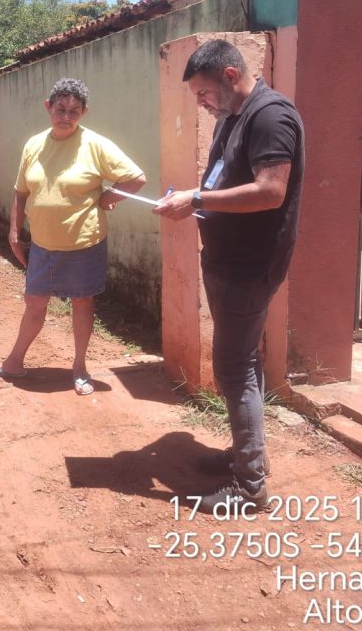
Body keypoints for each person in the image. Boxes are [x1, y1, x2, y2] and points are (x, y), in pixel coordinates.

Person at [154, 40, 304, 514]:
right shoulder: (232, 117)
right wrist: (192, 196)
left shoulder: (270, 116)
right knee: (243, 362)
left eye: (203, 93)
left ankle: (250, 486)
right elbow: (222, 179)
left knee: (233, 367)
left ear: (231, 76)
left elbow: (270, 190)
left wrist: (197, 200)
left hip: (249, 265)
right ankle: (246, 453)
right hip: (225, 259)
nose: (201, 103)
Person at [0, 78, 146, 395]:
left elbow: (136, 178)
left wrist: (107, 198)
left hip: (84, 243)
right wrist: (14, 231)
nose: (66, 117)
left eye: (74, 111)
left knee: (82, 302)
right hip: (42, 244)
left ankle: (80, 367)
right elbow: (21, 192)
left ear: (84, 112)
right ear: (49, 107)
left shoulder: (95, 145)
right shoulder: (33, 145)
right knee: (34, 302)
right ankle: (13, 362)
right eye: (61, 109)